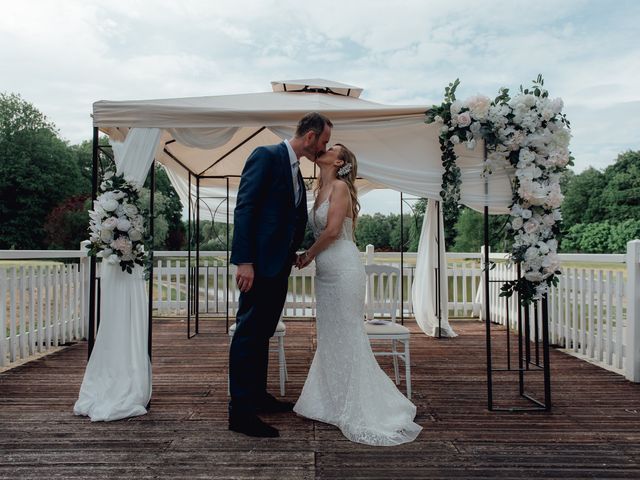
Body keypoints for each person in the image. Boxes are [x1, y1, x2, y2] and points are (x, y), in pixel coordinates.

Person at [294, 144, 422, 446]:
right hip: (327, 272)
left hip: (343, 269)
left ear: (339, 162)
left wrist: (308, 255)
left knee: (348, 334)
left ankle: (359, 405)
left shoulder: (339, 187)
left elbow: (333, 231)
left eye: (331, 148)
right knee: (330, 334)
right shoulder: (319, 189)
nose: (323, 149)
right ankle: (332, 401)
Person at [228, 112, 333, 438]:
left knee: (263, 333)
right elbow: (245, 207)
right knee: (248, 335)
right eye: (325, 141)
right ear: (312, 136)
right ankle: (241, 414)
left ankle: (257, 396)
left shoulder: (295, 169)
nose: (324, 147)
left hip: (278, 265)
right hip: (257, 266)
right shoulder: (266, 155)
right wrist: (244, 261)